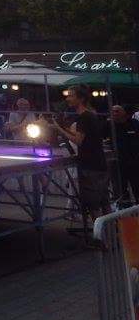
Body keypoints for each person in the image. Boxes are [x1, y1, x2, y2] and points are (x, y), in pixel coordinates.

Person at [50, 84, 109, 221]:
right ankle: (110, 231)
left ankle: (99, 232)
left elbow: (78, 140)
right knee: (103, 201)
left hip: (90, 166)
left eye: (71, 96)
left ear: (81, 98)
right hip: (98, 164)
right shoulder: (91, 115)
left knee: (93, 205)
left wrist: (59, 129)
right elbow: (83, 136)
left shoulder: (84, 117)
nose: (68, 99)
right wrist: (62, 127)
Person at [110, 105, 139, 204]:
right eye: (113, 111)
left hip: (134, 162)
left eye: (117, 111)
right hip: (118, 163)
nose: (115, 114)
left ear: (124, 112)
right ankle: (124, 207)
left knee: (136, 186)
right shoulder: (111, 126)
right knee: (120, 190)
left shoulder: (134, 124)